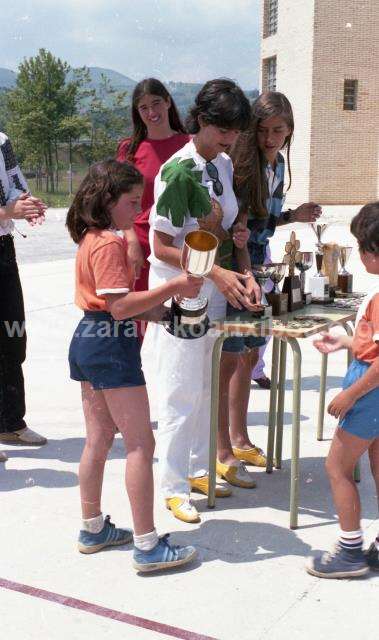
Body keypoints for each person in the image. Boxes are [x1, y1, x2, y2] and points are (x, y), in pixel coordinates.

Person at [66, 160, 200, 572]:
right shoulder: (107, 244)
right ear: (108, 200)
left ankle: (92, 528)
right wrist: (175, 285)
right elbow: (120, 308)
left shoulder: (93, 238)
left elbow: (115, 306)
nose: (137, 211)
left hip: (89, 339)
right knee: (141, 444)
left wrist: (166, 316)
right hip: (110, 344)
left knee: (99, 439)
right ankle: (147, 544)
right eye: (130, 202)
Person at [147, 78, 261, 524]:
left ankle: (196, 468)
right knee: (180, 390)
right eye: (222, 130)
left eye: (234, 131)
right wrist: (212, 270)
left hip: (213, 289)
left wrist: (242, 267)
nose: (229, 139)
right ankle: (172, 487)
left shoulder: (225, 164)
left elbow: (224, 228)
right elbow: (161, 245)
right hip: (184, 293)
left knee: (205, 385)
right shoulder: (179, 171)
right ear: (202, 121)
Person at [223, 92, 321, 468]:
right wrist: (247, 269)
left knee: (250, 353)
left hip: (260, 261)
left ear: (290, 130)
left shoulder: (277, 165)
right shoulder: (243, 166)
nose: (269, 137)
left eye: (277, 130)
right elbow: (242, 226)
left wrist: (293, 216)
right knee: (234, 354)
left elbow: (265, 221)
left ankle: (239, 436)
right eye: (262, 129)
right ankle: (229, 441)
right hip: (238, 263)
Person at [307, 202, 379, 579]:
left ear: (370, 252)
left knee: (337, 467)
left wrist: (351, 394)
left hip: (370, 394)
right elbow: (373, 344)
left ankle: (349, 550)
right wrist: (345, 341)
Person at [117, 78, 189, 307]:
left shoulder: (190, 145)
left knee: (176, 316)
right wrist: (131, 243)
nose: (151, 112)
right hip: (140, 242)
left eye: (156, 103)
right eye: (143, 107)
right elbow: (120, 202)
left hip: (177, 244)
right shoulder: (129, 149)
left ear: (168, 102)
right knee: (144, 315)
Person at [0, 131, 48, 461]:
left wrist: (26, 204)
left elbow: (16, 182)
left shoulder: (1, 141)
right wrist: (7, 211)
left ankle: (9, 421)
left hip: (3, 247)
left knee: (12, 336)